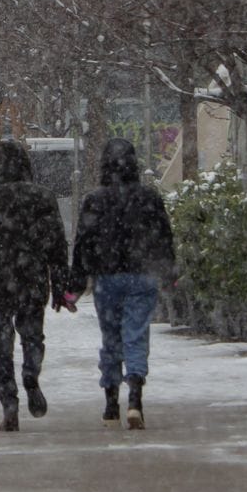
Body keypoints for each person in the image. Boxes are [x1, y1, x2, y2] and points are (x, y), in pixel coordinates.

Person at [0, 139, 74, 432]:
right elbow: (56, 246)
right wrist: (60, 285)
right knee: (33, 337)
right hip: (31, 280)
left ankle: (9, 404)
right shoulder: (43, 198)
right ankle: (31, 376)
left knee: (1, 347)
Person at [71, 138, 175, 429]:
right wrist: (169, 272)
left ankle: (110, 402)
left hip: (107, 278)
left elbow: (83, 244)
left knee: (111, 338)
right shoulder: (149, 198)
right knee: (136, 335)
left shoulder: (94, 200)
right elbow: (164, 238)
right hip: (142, 276)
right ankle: (135, 398)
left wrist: (75, 283)